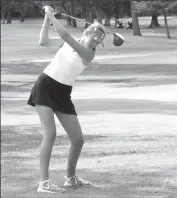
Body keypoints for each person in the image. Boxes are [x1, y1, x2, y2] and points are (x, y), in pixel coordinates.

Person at [27, 5, 106, 193]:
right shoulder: (71, 43)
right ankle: (44, 183)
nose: (95, 44)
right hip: (45, 86)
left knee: (78, 139)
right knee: (50, 133)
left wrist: (50, 14)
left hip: (63, 93)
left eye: (98, 42)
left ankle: (70, 178)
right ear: (87, 32)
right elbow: (43, 41)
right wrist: (48, 18)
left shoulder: (88, 54)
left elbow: (65, 36)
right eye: (94, 39)